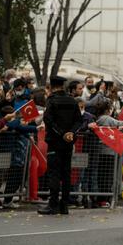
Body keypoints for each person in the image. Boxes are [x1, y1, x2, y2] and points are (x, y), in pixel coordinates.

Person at [38, 76, 83, 215]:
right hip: (68, 142)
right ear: (62, 86)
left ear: (52, 86)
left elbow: (49, 121)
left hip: (55, 142)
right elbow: (79, 121)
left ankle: (53, 204)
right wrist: (71, 133)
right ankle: (64, 205)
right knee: (66, 173)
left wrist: (63, 133)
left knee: (54, 173)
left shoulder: (51, 101)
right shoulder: (72, 100)